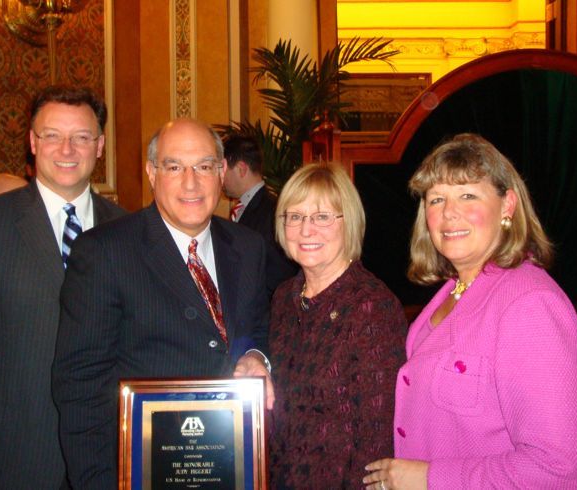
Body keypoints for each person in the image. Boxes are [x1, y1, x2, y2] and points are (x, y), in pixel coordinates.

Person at [52, 118, 273, 489]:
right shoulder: (105, 252)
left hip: (231, 469)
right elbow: (79, 385)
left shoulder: (248, 247)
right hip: (137, 472)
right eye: (174, 167)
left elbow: (259, 331)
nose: (191, 182)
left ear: (221, 173)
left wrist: (257, 357)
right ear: (152, 173)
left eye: (203, 166)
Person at [364, 133, 577, 490]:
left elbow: (559, 470)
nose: (449, 213)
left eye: (467, 195)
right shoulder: (452, 292)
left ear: (507, 205)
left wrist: (428, 478)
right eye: (437, 199)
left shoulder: (530, 305)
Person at [0, 85, 125, 490]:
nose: (67, 149)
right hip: (9, 458)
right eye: (52, 135)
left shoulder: (127, 229)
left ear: (99, 145)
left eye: (81, 137)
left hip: (103, 458)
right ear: (32, 141)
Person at [269, 163, 407, 489]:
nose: (306, 230)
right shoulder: (284, 298)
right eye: (295, 216)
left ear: (349, 223)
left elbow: (375, 441)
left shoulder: (371, 307)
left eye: (322, 217)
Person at [223, 135, 298, 296]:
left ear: (241, 169)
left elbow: (281, 274)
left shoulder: (274, 211)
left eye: (223, 170)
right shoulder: (247, 207)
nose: (220, 178)